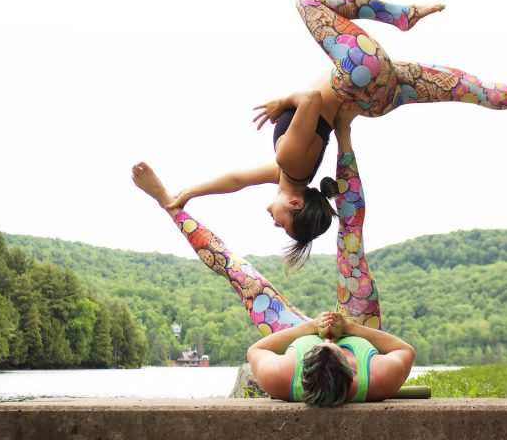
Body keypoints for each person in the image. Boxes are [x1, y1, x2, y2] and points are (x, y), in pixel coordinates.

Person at [166, 0, 507, 267]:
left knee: (471, 89)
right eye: (286, 226)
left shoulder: (286, 172)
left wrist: (188, 193)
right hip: (360, 73)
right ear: (297, 204)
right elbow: (305, 101)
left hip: (379, 93)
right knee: (307, 0)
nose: (276, 223)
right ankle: (399, 14)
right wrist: (283, 100)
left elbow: (234, 181)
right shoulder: (290, 159)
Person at [131, 106, 413, 406]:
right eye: (336, 346)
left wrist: (308, 330)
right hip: (359, 326)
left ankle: (169, 205)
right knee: (352, 243)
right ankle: (344, 132)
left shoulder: (283, 379)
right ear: (351, 368)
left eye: (321, 345)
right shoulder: (378, 379)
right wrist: (350, 330)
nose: (328, 339)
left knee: (241, 275)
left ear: (302, 364)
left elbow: (256, 352)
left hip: (296, 333)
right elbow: (405, 351)